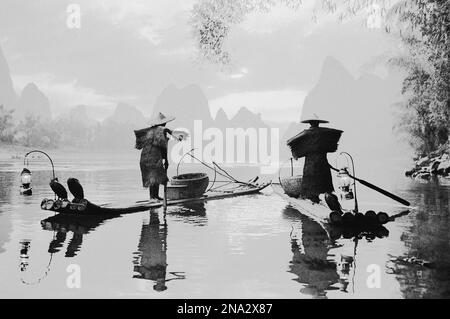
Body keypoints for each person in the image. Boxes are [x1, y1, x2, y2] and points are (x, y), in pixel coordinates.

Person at [134, 112, 176, 202]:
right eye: (164, 123)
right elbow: (163, 147)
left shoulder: (150, 131)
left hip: (145, 156)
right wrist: (166, 160)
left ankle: (154, 196)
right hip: (153, 156)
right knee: (154, 176)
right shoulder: (161, 131)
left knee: (153, 177)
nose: (165, 124)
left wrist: (164, 159)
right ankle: (153, 197)